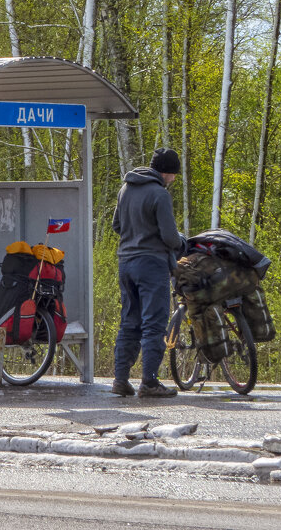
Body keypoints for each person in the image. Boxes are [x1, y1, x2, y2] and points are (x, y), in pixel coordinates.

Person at [109, 148, 185, 398]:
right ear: (166, 171)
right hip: (151, 265)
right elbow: (169, 236)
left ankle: (120, 380)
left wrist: (135, 235)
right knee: (154, 323)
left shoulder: (125, 189)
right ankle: (149, 383)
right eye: (173, 174)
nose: (173, 179)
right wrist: (180, 243)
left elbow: (116, 225)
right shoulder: (159, 194)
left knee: (129, 321)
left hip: (126, 263)